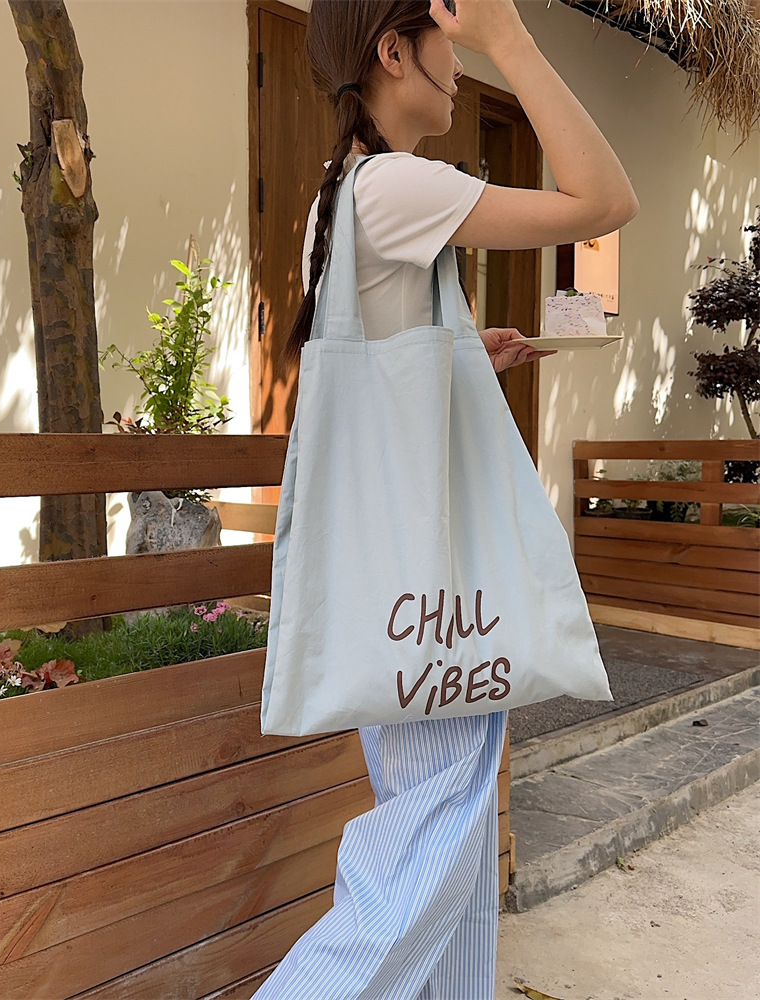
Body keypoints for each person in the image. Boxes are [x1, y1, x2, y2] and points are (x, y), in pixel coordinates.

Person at [253, 1, 638, 998]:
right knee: (423, 855)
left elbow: (385, 366)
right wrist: (513, 39)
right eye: (447, 40)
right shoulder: (394, 185)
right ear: (394, 50)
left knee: (446, 852)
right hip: (432, 590)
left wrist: (466, 354)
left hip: (402, 588)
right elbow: (604, 200)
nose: (461, 64)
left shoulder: (346, 192)